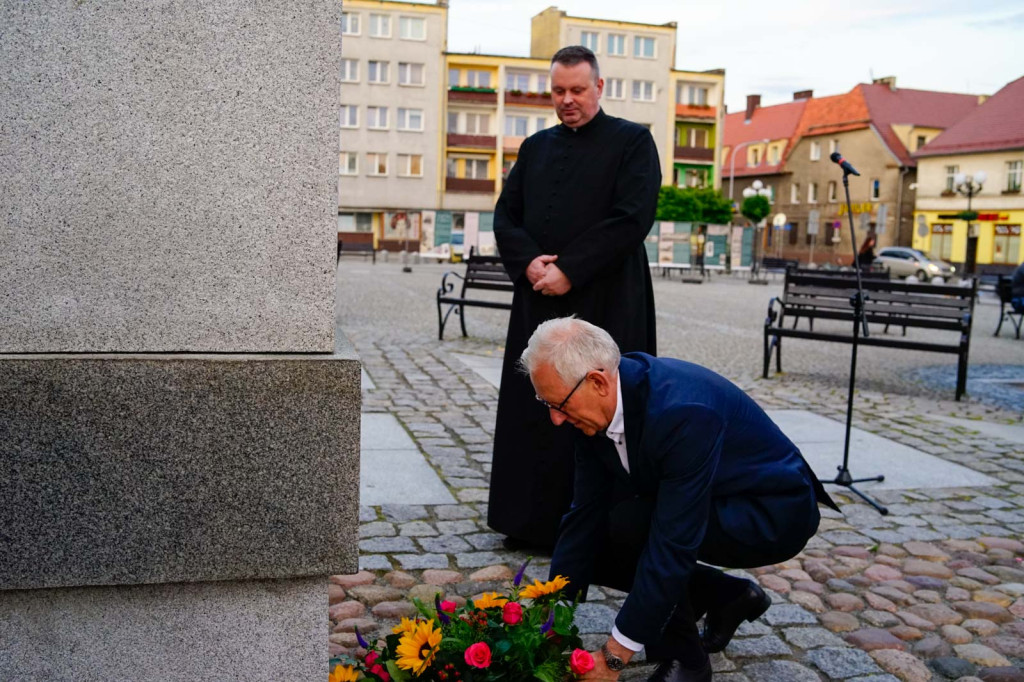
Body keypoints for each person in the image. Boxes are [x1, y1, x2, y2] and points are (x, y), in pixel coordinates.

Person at [522, 318, 838, 682]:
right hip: (714, 498)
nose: (555, 419)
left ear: (598, 381)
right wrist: (548, 622)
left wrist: (614, 656)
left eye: (557, 403)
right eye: (545, 402)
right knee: (598, 539)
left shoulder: (682, 411)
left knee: (633, 525)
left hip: (771, 513)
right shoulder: (591, 407)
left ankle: (687, 660)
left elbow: (673, 541)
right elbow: (583, 515)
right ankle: (725, 594)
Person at [488, 45, 661, 549]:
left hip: (606, 300)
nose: (568, 100)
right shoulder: (536, 147)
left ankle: (604, 530)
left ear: (599, 87)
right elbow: (506, 215)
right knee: (536, 408)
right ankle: (530, 521)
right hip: (539, 296)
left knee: (597, 410)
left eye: (577, 90)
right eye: (559, 91)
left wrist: (570, 269)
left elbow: (632, 216)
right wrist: (529, 262)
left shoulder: (633, 141)